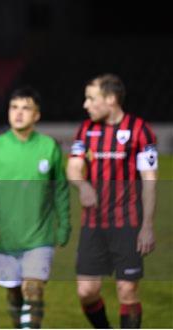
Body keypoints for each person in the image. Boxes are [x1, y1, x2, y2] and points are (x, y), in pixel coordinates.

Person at [0, 87, 70, 329]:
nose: (18, 113)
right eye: (14, 107)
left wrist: (65, 225)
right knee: (15, 293)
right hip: (7, 238)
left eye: (26, 108)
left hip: (40, 236)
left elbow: (60, 190)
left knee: (33, 288)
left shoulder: (49, 147)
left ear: (37, 115)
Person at [67, 74, 157, 329]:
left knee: (127, 292)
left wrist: (147, 225)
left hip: (127, 223)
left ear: (110, 99)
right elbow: (73, 167)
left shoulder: (140, 130)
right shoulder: (86, 130)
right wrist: (82, 185)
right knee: (86, 291)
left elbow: (149, 180)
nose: (85, 104)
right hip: (93, 224)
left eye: (91, 98)